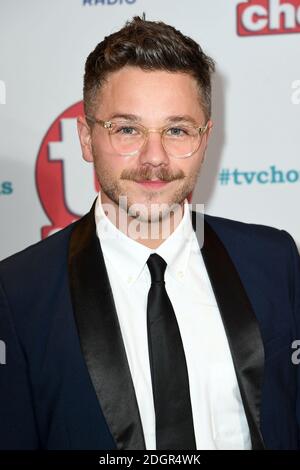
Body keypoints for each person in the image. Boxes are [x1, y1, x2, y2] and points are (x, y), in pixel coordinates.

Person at [0, 16, 299, 451]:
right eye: (127, 129)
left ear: (206, 138)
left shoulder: (274, 260)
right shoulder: (18, 292)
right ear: (86, 138)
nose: (154, 158)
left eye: (177, 130)